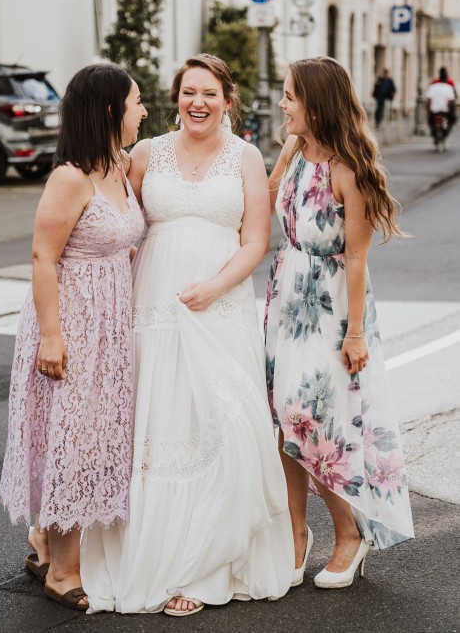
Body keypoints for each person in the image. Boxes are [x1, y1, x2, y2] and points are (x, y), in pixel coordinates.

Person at [81, 54, 294, 615]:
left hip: (219, 305)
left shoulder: (246, 157)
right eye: (187, 92)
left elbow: (255, 240)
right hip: (153, 302)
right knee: (160, 415)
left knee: (220, 419)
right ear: (175, 98)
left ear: (228, 100)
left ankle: (206, 566)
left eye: (209, 93)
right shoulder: (146, 153)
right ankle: (154, 555)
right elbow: (113, 212)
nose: (197, 103)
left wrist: (215, 286)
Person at [0, 63, 147, 611]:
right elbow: (42, 258)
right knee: (73, 441)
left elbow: (113, 234)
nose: (144, 111)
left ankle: (43, 542)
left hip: (109, 323)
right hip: (69, 324)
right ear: (109, 110)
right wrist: (52, 339)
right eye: (136, 102)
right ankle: (63, 571)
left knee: (90, 435)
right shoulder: (70, 176)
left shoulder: (121, 164)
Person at [265, 56, 414, 591]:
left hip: (330, 308)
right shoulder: (293, 150)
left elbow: (356, 258)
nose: (283, 104)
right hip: (286, 297)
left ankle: (349, 533)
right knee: (283, 418)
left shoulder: (349, 168)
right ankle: (296, 536)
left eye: (290, 96)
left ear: (315, 103)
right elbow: (262, 202)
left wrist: (353, 334)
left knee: (311, 419)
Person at [426, 67, 457, 145]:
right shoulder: (449, 84)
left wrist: (428, 110)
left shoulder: (434, 84)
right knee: (453, 119)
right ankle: (445, 133)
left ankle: (434, 134)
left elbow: (429, 99)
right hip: (445, 110)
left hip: (434, 110)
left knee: (430, 121)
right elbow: (452, 99)